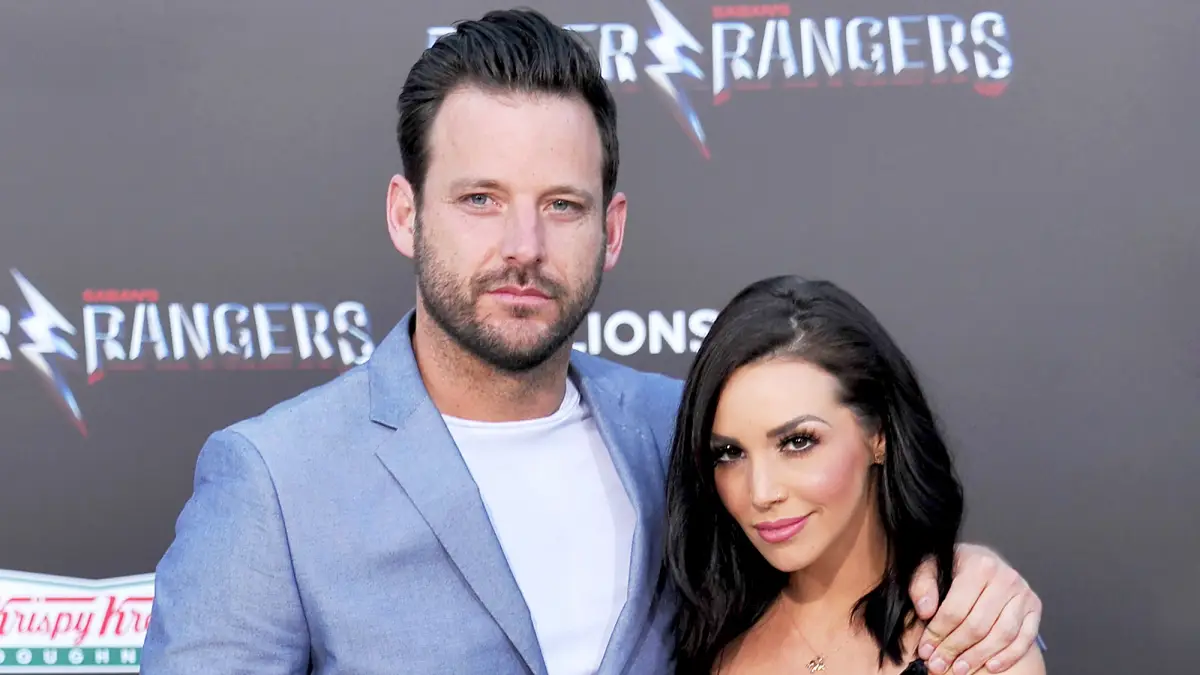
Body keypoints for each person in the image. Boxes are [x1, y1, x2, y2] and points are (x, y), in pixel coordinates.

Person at [140, 8, 1043, 675]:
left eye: (560, 205)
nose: (522, 247)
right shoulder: (273, 478)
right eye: (480, 199)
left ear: (610, 229)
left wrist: (967, 576)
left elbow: (836, 575)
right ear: (405, 213)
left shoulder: (684, 432)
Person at [666, 276, 1047, 675]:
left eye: (797, 442)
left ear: (878, 434)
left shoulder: (975, 647)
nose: (761, 492)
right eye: (730, 453)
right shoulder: (704, 640)